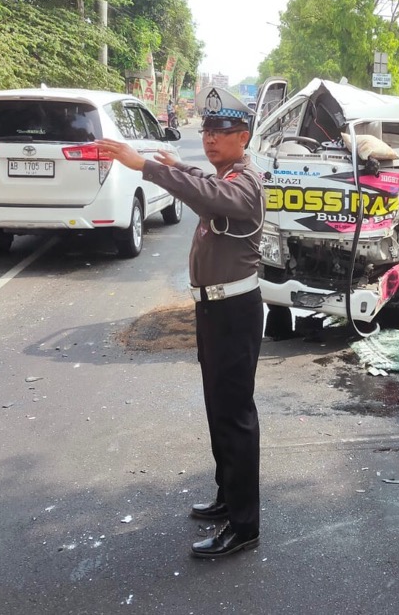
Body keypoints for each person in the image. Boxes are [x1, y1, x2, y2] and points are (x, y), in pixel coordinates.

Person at [96, 86, 265, 559]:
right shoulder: (227, 172)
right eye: (207, 130)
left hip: (235, 312)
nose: (210, 139)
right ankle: (227, 497)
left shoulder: (246, 182)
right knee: (217, 410)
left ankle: (245, 525)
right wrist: (174, 165)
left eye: (222, 131)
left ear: (243, 136)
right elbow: (204, 181)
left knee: (235, 417)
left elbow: (211, 193)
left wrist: (147, 166)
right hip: (215, 309)